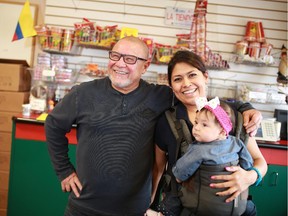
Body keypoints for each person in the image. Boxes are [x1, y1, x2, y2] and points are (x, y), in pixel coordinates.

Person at [45, 37, 262, 216]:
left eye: (130, 59)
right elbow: (53, 125)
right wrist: (64, 170)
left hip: (134, 209)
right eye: (115, 56)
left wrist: (245, 107)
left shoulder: (160, 96)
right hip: (84, 207)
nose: (120, 64)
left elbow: (201, 98)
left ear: (145, 66)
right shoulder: (83, 93)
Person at [148, 50, 267, 216]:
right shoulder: (166, 122)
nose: (186, 83)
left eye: (192, 75)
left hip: (236, 209)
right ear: (171, 86)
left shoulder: (234, 116)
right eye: (177, 79)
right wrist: (150, 205)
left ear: (205, 77)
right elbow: (158, 169)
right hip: (185, 209)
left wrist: (250, 177)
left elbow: (259, 161)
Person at [171, 97, 254, 215]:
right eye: (196, 122)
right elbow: (247, 163)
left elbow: (180, 173)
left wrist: (178, 177)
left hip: (207, 208)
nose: (196, 128)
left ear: (222, 131)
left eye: (204, 125)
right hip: (238, 208)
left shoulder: (198, 150)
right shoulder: (236, 142)